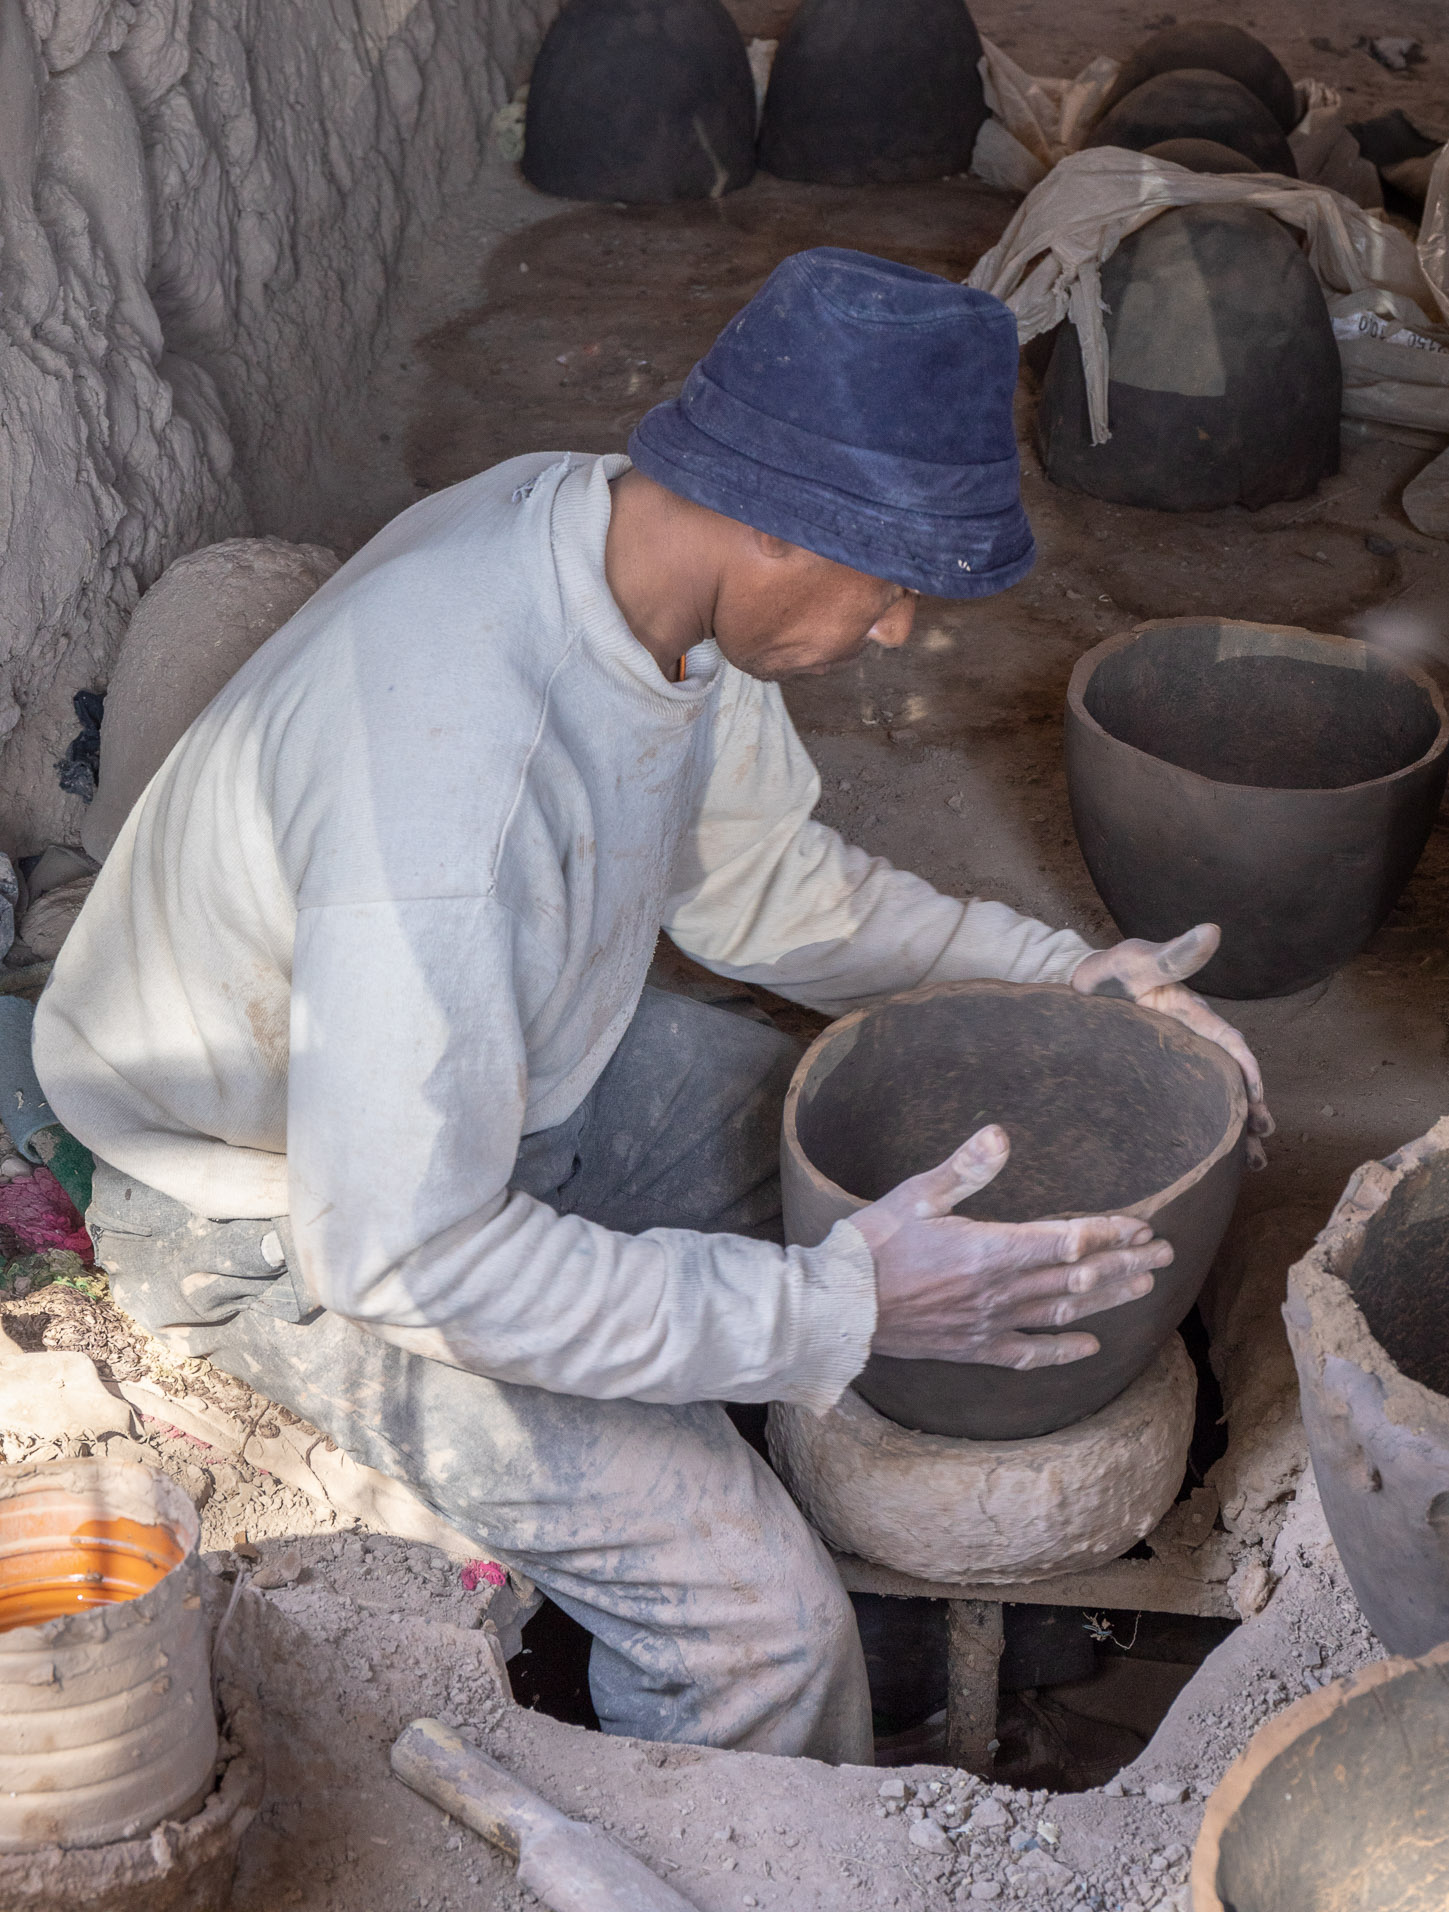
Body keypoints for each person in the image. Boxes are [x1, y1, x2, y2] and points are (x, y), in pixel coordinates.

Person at [34, 248, 1271, 1765]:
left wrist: (1058, 978)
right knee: (754, 1623)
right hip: (273, 1215)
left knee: (887, 1146)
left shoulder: (634, 553)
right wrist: (836, 1308)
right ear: (767, 523)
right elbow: (407, 1251)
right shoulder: (450, 787)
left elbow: (755, 885)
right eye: (886, 579)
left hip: (517, 1070)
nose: (892, 629)